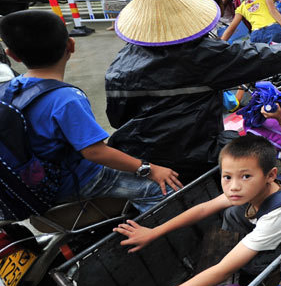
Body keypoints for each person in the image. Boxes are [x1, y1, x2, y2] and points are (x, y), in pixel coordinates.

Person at [101, 135, 281, 286]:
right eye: (227, 177)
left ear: (270, 175)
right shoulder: (254, 188)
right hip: (273, 229)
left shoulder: (278, 215)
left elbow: (222, 270)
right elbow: (204, 208)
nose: (234, 186)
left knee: (250, 263)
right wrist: (154, 232)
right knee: (233, 211)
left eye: (245, 176)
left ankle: (279, 281)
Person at [105, 0, 281, 182]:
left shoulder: (121, 64)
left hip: (136, 153)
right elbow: (255, 56)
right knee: (255, 151)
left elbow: (116, 119)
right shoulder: (201, 55)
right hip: (197, 153)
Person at [0, 11, 181, 211]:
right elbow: (94, 152)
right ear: (71, 45)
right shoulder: (66, 98)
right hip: (70, 181)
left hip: (30, 180)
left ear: (12, 55)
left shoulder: (8, 89)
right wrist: (149, 169)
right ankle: (152, 230)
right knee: (162, 189)